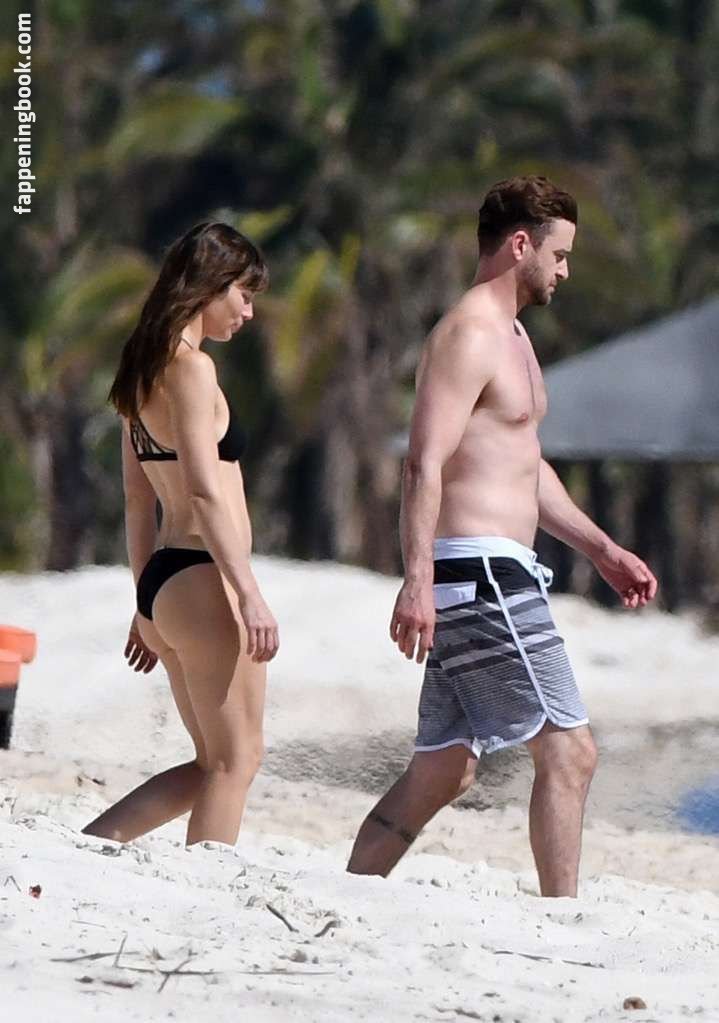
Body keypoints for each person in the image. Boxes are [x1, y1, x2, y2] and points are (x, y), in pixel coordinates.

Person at [347, 176, 658, 896]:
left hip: (495, 569)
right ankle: (563, 921)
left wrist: (602, 549)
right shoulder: (469, 334)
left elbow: (523, 465)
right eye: (560, 254)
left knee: (443, 770)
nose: (565, 271)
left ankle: (351, 892)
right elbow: (422, 461)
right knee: (570, 752)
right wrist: (417, 580)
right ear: (520, 244)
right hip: (480, 575)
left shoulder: (514, 336)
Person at [83, 222, 279, 848]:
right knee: (235, 761)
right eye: (243, 295)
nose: (248, 312)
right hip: (204, 577)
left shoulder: (140, 372)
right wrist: (248, 592)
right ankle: (209, 889)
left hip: (168, 581)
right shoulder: (192, 369)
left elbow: (138, 500)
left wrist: (145, 602)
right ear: (211, 286)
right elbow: (202, 490)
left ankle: (93, 846)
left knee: (209, 764)